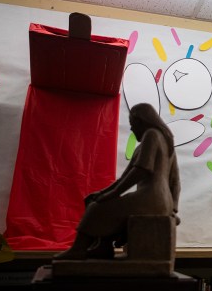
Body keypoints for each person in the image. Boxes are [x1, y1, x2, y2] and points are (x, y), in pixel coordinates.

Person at [54, 103, 181, 260]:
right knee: (101, 201)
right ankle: (102, 246)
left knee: (96, 207)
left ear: (140, 121)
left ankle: (78, 248)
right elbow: (175, 182)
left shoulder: (152, 135)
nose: (131, 129)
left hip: (151, 200)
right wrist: (103, 193)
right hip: (161, 202)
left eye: (132, 124)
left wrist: (112, 194)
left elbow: (140, 171)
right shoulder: (166, 144)